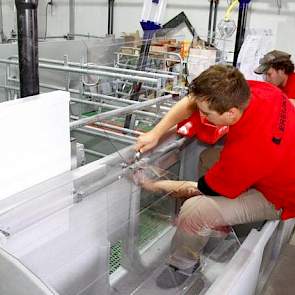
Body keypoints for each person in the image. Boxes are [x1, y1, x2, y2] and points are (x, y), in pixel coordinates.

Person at [135, 64, 295, 274]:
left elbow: (199, 188)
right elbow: (195, 100)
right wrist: (156, 133)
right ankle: (219, 221)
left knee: (194, 212)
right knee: (209, 158)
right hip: (277, 165)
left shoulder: (250, 151)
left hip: (279, 197)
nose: (201, 118)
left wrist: (155, 185)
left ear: (230, 114)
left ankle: (183, 265)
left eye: (206, 114)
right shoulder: (260, 91)